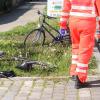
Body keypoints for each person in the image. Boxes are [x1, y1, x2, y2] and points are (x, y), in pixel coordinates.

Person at [59, 0, 100, 89]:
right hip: (87, 24)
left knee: (76, 48)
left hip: (74, 22)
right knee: (85, 51)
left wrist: (62, 25)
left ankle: (74, 73)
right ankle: (80, 79)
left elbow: (65, 9)